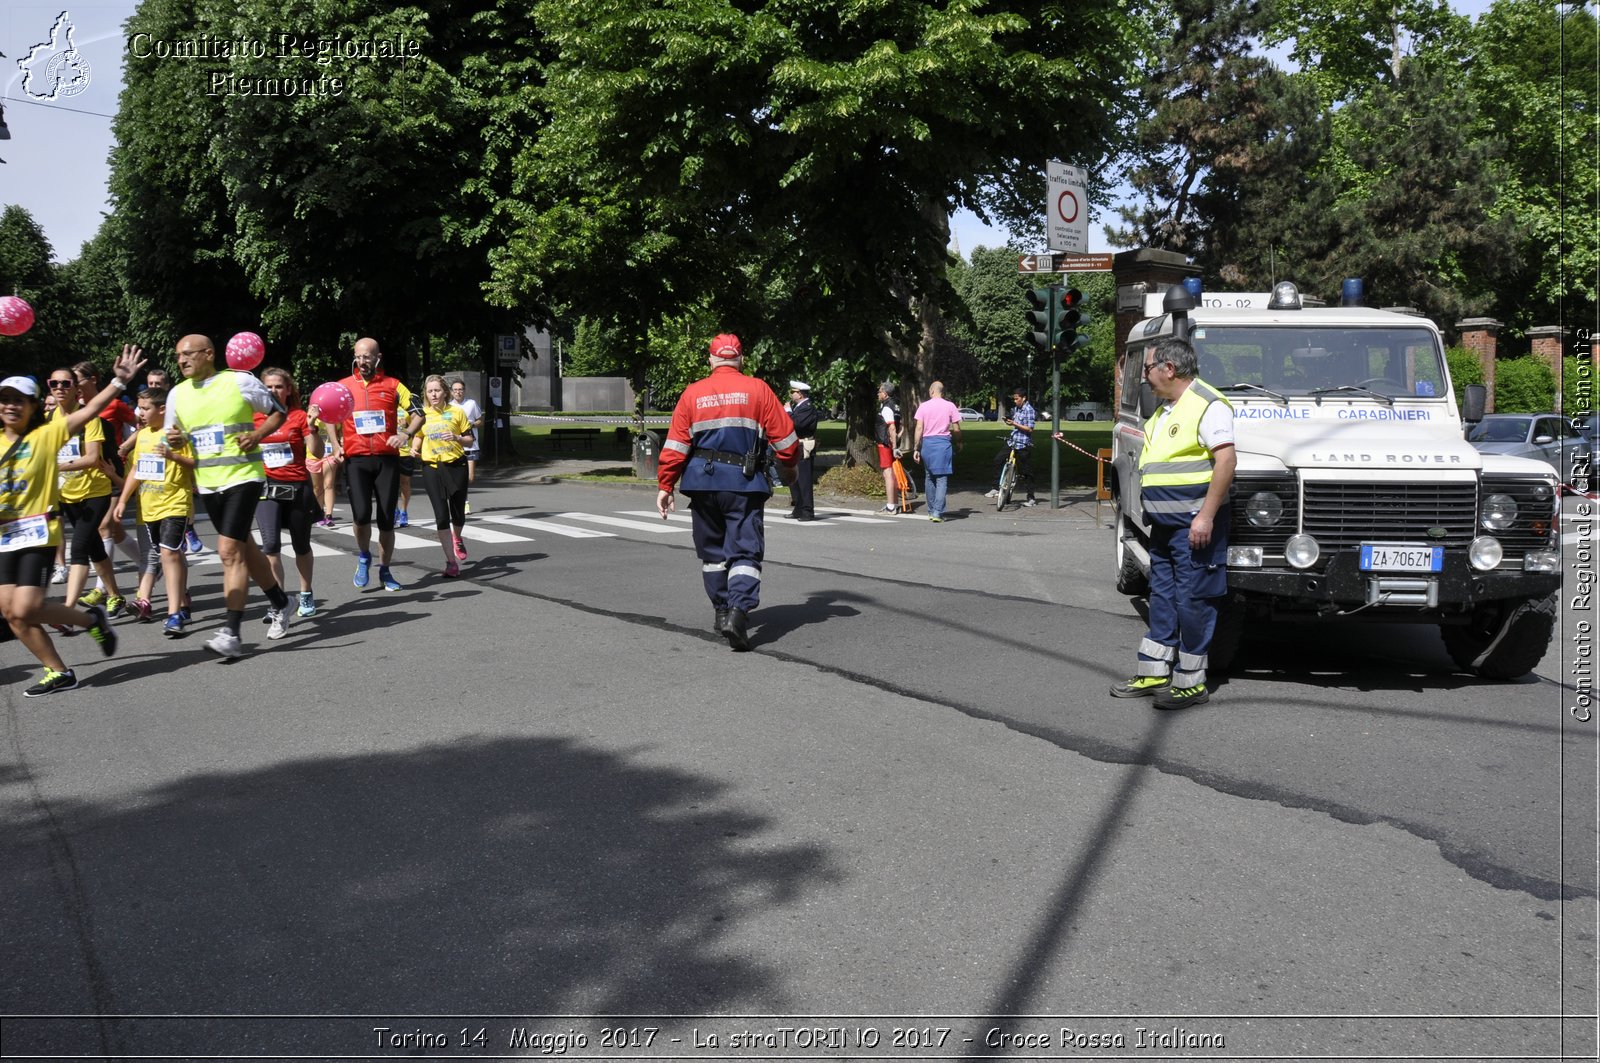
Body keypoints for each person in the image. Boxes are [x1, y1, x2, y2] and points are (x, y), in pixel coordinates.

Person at [0, 348, 144, 698]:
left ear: (34, 406)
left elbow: (93, 409)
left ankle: (90, 620)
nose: (11, 405)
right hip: (4, 538)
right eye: (4, 399)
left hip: (38, 534)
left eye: (20, 400)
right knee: (12, 613)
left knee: (28, 607)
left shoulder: (46, 435)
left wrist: (119, 381)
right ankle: (60, 670)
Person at [1110, 337, 1236, 709]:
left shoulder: (1208, 405)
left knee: (1193, 600)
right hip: (1164, 526)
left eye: (1147, 368)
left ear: (1170, 368)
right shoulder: (1165, 411)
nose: (1144, 377)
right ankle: (1154, 671)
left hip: (1193, 526)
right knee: (1162, 598)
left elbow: (1225, 463)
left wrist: (1206, 517)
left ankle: (1191, 683)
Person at [656, 334, 799, 651]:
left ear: (711, 360)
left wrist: (666, 486)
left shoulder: (692, 394)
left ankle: (722, 611)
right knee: (745, 552)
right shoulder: (758, 389)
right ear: (741, 359)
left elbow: (676, 447)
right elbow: (787, 442)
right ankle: (737, 612)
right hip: (743, 485)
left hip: (701, 485)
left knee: (712, 554)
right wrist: (790, 469)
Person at [164, 334, 297, 657]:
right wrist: (176, 441)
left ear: (208, 354)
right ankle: (282, 601)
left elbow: (279, 411)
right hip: (208, 482)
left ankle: (232, 633)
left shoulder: (239, 382)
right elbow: (174, 440)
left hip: (244, 477)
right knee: (243, 547)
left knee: (227, 551)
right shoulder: (176, 394)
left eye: (188, 354)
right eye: (178, 356)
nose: (181, 361)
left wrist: (257, 434)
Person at [327, 337, 423, 591]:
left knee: (385, 520)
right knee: (360, 516)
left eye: (367, 356)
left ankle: (385, 570)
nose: (362, 361)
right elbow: (327, 414)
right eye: (358, 356)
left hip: (386, 459)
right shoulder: (343, 386)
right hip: (356, 460)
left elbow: (419, 413)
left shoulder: (393, 385)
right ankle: (363, 555)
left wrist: (405, 434)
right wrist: (336, 445)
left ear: (378, 357)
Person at [112, 386, 195, 636]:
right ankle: (182, 601)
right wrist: (124, 500)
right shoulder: (143, 435)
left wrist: (172, 456)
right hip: (150, 507)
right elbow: (138, 469)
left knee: (169, 554)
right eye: (139, 407)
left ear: (163, 409)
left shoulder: (176, 433)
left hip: (175, 502)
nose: (140, 413)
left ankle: (173, 615)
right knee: (172, 556)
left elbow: (195, 463)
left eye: (146, 408)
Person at [50, 368, 129, 618]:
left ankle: (68, 612)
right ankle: (115, 596)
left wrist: (56, 465)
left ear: (76, 388)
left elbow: (93, 458)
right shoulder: (51, 417)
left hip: (95, 491)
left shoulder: (89, 418)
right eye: (54, 383)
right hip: (67, 493)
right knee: (95, 548)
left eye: (66, 383)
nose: (60, 387)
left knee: (79, 548)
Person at [253, 367, 321, 630]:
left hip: (296, 488)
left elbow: (313, 451)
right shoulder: (254, 417)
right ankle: (278, 601)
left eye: (278, 386)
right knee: (270, 546)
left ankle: (305, 593)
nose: (273, 391)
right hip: (265, 489)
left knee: (301, 546)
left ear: (288, 389)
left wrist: (313, 427)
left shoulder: (299, 416)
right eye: (268, 387)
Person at [417, 374, 475, 577]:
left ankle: (457, 537)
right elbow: (417, 438)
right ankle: (451, 562)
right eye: (430, 391)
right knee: (441, 515)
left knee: (457, 511)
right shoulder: (422, 414)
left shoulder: (457, 412)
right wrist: (413, 450)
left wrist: (457, 437)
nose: (433, 394)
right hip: (432, 467)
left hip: (456, 465)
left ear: (445, 392)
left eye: (437, 390)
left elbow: (470, 439)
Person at [912, 381, 962, 522]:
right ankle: (937, 512)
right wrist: (959, 442)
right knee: (941, 478)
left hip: (927, 444)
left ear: (932, 391)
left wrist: (916, 447)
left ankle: (931, 509)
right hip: (943, 444)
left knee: (929, 477)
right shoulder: (950, 406)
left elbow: (919, 428)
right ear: (942, 391)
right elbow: (956, 428)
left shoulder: (923, 406)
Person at [986, 387, 1038, 507]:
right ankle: (995, 488)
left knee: (1026, 472)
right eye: (1014, 399)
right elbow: (1015, 423)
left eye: (1017, 399)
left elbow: (1030, 428)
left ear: (1024, 398)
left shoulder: (1029, 410)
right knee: (997, 460)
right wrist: (1009, 421)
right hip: (1013, 441)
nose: (1015, 401)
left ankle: (1031, 498)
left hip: (1023, 443)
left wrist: (1014, 423)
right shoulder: (1017, 409)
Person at [786, 380, 819, 521]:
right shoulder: (799, 407)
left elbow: (797, 424)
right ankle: (798, 508)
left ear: (800, 394)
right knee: (795, 479)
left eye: (793, 392)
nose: (791, 394)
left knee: (804, 479)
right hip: (795, 445)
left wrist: (787, 412)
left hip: (803, 445)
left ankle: (807, 511)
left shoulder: (807, 407)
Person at [449, 378, 484, 512]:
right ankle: (464, 501)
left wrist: (472, 424)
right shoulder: (449, 407)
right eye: (455, 390)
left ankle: (463, 497)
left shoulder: (471, 404)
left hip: (471, 445)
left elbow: (480, 421)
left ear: (464, 391)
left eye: (460, 390)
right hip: (456, 446)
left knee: (469, 477)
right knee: (457, 476)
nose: (458, 392)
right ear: (452, 392)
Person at [874, 381, 902, 513]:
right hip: (892, 443)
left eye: (879, 391)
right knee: (893, 473)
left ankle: (891, 506)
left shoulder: (886, 407)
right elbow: (901, 426)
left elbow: (892, 427)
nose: (878, 393)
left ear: (885, 393)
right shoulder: (896, 405)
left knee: (888, 473)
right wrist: (897, 440)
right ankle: (895, 503)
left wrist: (894, 446)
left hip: (885, 444)